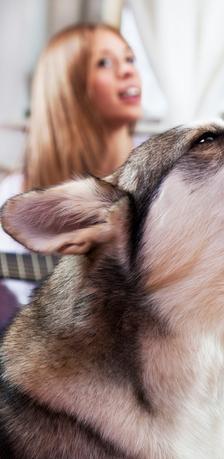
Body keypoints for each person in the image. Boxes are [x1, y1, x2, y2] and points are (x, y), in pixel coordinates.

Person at [0, 23, 142, 315]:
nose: (127, 71)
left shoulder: (164, 173)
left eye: (129, 59)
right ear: (68, 86)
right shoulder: (16, 192)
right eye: (104, 63)